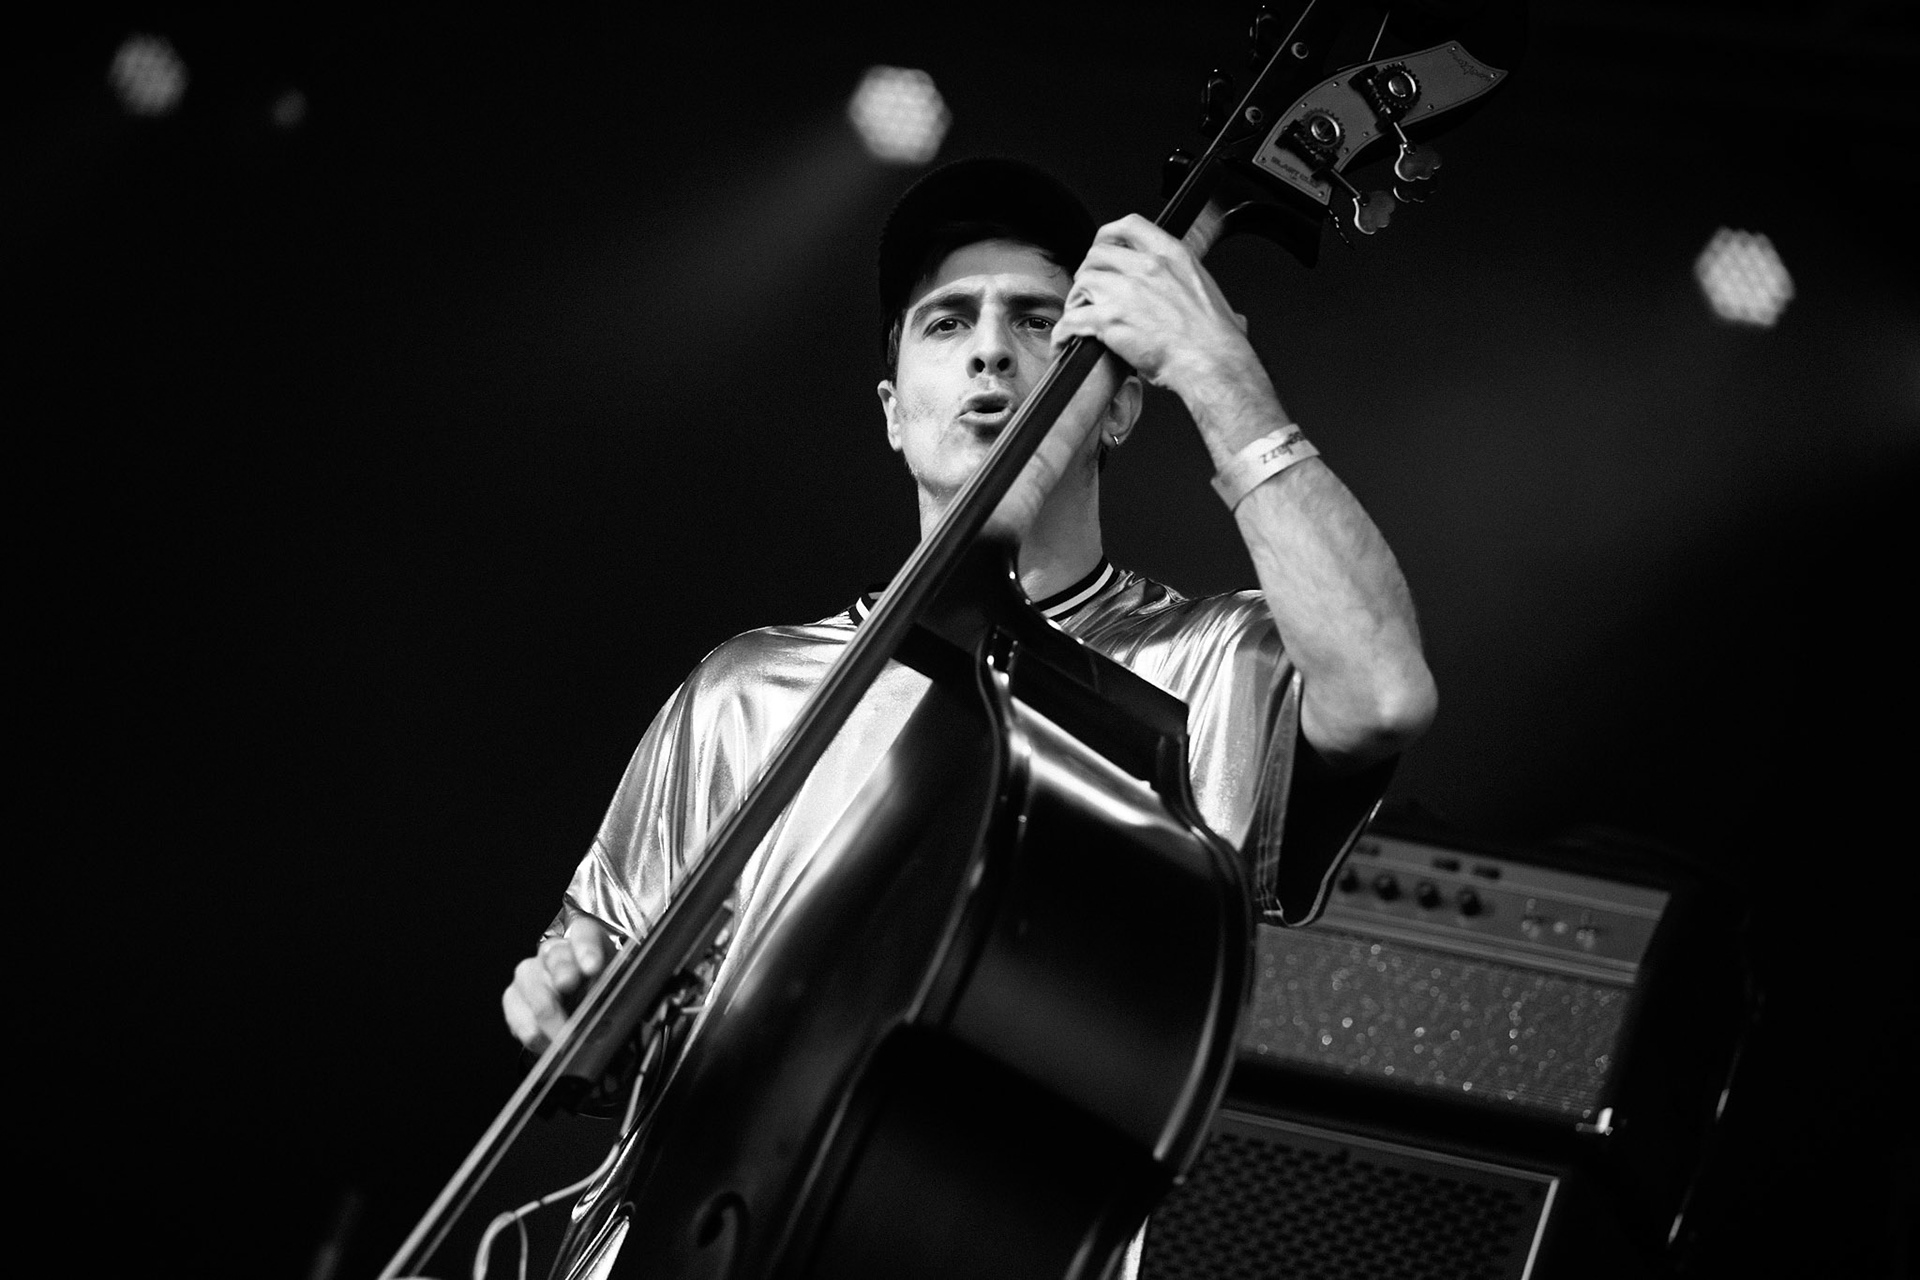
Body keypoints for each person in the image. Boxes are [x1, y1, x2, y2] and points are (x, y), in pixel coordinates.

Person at [503, 154, 1435, 1080]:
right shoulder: (744, 691)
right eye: (948, 322)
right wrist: (566, 999)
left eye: (1038, 320)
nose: (991, 350)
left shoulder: (1209, 665)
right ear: (894, 413)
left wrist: (1217, 368)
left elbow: (1382, 694)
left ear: (1120, 407)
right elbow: (592, 982)